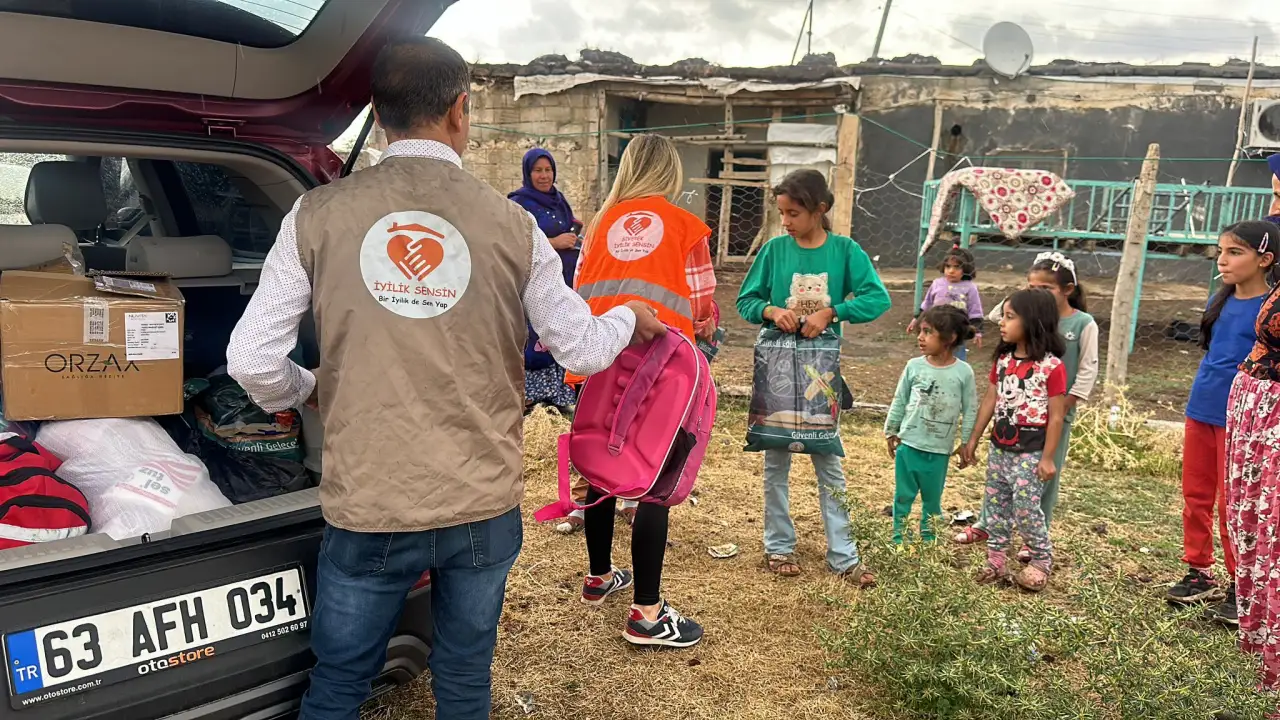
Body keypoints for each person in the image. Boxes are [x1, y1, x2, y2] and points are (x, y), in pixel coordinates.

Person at [225, 38, 666, 720]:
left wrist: (310, 390)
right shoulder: (515, 225)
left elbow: (251, 360)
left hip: (370, 504)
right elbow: (579, 347)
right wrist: (629, 315)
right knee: (463, 678)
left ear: (377, 114)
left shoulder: (316, 215)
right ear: (462, 110)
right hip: (480, 504)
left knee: (339, 685)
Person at [570, 133, 717, 649]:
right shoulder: (684, 226)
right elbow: (700, 303)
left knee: (601, 467)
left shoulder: (599, 224)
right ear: (670, 172)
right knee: (656, 479)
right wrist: (704, 321)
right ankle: (648, 614)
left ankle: (598, 576)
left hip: (602, 361)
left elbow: (581, 286)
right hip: (662, 371)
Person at [736, 168, 891, 584]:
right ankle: (778, 546)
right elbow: (746, 300)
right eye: (781, 213)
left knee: (829, 462)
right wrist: (771, 310)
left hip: (821, 372)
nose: (785, 221)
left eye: (794, 213)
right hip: (777, 370)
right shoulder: (774, 251)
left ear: (819, 209)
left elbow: (877, 298)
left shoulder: (844, 251)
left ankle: (844, 556)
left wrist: (832, 312)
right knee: (776, 460)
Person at [954, 251, 1098, 556]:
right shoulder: (1022, 322)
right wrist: (1024, 299)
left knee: (1043, 475)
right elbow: (998, 315)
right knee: (1000, 476)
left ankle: (1034, 537)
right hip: (1014, 417)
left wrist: (1066, 403)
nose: (1037, 293)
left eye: (1045, 288)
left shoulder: (1082, 323)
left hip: (1055, 414)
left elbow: (1088, 369)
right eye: (1031, 287)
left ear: (1068, 289)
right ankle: (988, 524)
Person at [1171, 222, 1275, 627]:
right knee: (1195, 494)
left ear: (1265, 260)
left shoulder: (1271, 310)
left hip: (1241, 418)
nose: (1222, 260)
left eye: (1235, 252)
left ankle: (1240, 584)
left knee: (1232, 503)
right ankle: (1198, 570)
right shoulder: (1221, 300)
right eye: (1220, 252)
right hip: (1201, 408)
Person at [962, 289, 1067, 593]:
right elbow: (990, 400)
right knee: (996, 504)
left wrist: (1047, 457)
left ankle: (1041, 559)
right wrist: (973, 440)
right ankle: (996, 560)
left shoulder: (1052, 367)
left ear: (1034, 321)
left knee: (1025, 506)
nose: (1002, 322)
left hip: (1031, 452)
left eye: (1010, 317)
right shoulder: (1003, 360)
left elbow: (1056, 417)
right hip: (1000, 448)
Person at [1225, 220, 1280, 693]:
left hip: (1272, 421)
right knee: (1254, 534)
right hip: (1256, 417)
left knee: (1272, 541)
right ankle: (1259, 671)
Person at [885, 305, 978, 544]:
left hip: (939, 451)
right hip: (909, 445)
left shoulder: (964, 372)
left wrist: (966, 443)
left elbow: (970, 410)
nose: (920, 337)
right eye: (920, 331)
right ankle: (899, 540)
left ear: (950, 337)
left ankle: (929, 542)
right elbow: (900, 399)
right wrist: (891, 430)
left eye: (927, 332)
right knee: (903, 497)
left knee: (932, 501)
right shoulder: (914, 366)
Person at [508, 148, 581, 414]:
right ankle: (528, 398)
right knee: (534, 337)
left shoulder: (558, 200)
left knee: (558, 333)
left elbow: (568, 224)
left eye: (548, 170)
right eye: (537, 170)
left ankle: (557, 395)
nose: (544, 175)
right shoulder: (518, 204)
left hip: (561, 282)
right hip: (533, 284)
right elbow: (513, 241)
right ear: (528, 173)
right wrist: (554, 242)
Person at [908, 245, 983, 360]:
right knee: (932, 354)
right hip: (935, 329)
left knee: (956, 358)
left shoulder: (970, 288)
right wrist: (916, 319)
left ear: (966, 268)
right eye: (948, 266)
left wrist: (977, 331)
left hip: (956, 332)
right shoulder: (937, 284)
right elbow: (927, 304)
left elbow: (975, 311)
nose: (951, 271)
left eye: (957, 267)